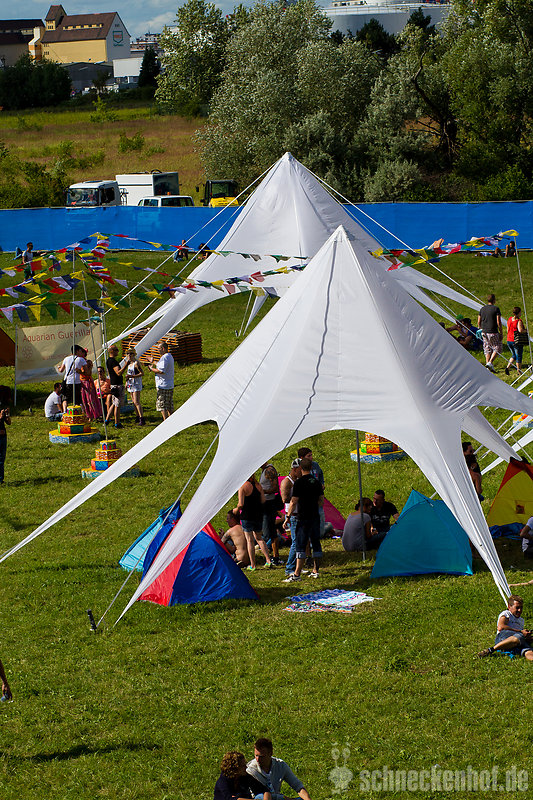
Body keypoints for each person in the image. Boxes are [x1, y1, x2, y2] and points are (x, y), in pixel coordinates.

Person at [283, 457, 323, 582]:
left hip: (303, 517)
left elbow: (293, 501)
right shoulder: (316, 482)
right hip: (314, 516)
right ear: (311, 468)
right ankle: (315, 571)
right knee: (315, 543)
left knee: (300, 544)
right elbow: (321, 501)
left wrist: (288, 517)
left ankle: (297, 574)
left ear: (301, 468)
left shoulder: (299, 483)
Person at [247, 738, 311, 800]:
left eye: (262, 756)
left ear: (270, 753)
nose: (258, 759)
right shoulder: (251, 770)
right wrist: (283, 798)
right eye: (256, 755)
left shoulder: (280, 765)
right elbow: (260, 795)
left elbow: (297, 785)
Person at [233, 474, 272, 570]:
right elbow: (263, 500)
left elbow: (241, 504)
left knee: (249, 540)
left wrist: (236, 510)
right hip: (258, 515)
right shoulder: (258, 485)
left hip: (247, 516)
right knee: (259, 538)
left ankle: (253, 565)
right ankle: (268, 560)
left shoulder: (242, 486)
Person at [478, 595, 533, 660]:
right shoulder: (506, 614)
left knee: (528, 650)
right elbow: (501, 627)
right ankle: (491, 649)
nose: (520, 610)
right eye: (517, 607)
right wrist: (521, 632)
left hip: (517, 640)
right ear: (509, 606)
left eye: (521, 607)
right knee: (519, 636)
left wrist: (527, 637)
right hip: (503, 637)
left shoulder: (521, 620)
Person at [280, 458, 302, 577]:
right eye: (300, 470)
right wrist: (298, 497)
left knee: (300, 541)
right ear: (294, 469)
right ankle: (289, 567)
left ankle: (297, 566)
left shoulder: (298, 480)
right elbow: (284, 499)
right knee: (295, 542)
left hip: (299, 513)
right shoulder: (287, 482)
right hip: (292, 515)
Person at [297, 446, 325, 538]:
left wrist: (322, 483)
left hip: (317, 498)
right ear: (302, 458)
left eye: (311, 455)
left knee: (320, 517)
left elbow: (320, 475)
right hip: (307, 501)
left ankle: (320, 533)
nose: (311, 457)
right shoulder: (299, 468)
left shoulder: (315, 465)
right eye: (309, 456)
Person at [260, 461, 283, 566]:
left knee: (269, 532)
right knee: (270, 531)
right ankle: (274, 556)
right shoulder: (264, 471)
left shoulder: (269, 470)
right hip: (265, 504)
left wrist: (262, 491)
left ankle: (273, 556)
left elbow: (275, 488)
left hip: (269, 504)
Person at [148, 341, 174, 421]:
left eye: (159, 348)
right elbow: (161, 365)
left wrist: (151, 369)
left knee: (162, 405)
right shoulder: (169, 356)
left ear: (163, 348)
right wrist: (153, 361)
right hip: (169, 384)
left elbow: (161, 371)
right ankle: (172, 421)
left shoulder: (165, 357)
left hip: (163, 385)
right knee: (169, 405)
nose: (158, 350)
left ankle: (165, 421)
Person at [477, 294, 502, 372]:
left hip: (484, 331)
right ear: (494, 300)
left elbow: (479, 321)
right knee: (498, 347)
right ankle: (490, 362)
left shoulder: (482, 309)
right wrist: (501, 332)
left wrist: (480, 328)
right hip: (493, 331)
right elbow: (498, 321)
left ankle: (487, 367)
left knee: (487, 348)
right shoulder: (496, 309)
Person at [106, 344, 128, 429]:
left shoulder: (108, 360)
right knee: (117, 406)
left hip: (113, 384)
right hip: (117, 385)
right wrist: (126, 365)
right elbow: (118, 373)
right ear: (112, 351)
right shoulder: (113, 361)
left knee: (114, 403)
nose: (118, 351)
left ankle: (107, 419)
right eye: (116, 350)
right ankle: (117, 423)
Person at [125, 348, 145, 425]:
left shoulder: (136, 363)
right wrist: (126, 383)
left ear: (134, 355)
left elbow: (142, 373)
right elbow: (128, 374)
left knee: (137, 402)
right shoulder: (129, 364)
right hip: (130, 384)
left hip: (136, 384)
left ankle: (142, 418)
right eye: (127, 354)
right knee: (133, 402)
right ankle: (137, 416)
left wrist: (132, 376)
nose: (129, 355)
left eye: (130, 354)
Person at [505, 306, 525, 376]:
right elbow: (520, 330)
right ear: (518, 313)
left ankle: (507, 367)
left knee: (514, 355)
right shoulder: (518, 321)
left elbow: (507, 329)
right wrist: (526, 330)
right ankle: (519, 371)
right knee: (519, 355)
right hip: (516, 340)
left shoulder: (510, 319)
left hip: (509, 340)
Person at [0, 402, 10, 485]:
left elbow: (9, 422)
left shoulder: (1, 410)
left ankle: (1, 479)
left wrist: (7, 415)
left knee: (2, 459)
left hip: (3, 437)